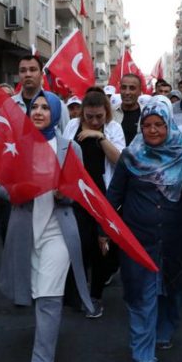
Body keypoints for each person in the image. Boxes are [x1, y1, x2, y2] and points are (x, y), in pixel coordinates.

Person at [0, 90, 92, 362]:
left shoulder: (70, 148)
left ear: (55, 112)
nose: (38, 112)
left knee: (49, 297)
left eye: (44, 107)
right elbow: (1, 185)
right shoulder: (15, 147)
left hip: (58, 231)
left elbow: (79, 190)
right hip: (25, 229)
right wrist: (15, 191)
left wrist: (66, 194)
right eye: (33, 107)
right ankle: (44, 341)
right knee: (36, 294)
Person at [106, 96, 182, 362]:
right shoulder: (131, 157)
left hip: (175, 237)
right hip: (138, 240)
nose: (153, 130)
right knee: (141, 298)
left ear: (169, 125)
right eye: (147, 125)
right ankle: (141, 359)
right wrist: (103, 231)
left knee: (173, 290)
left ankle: (165, 331)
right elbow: (114, 196)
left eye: (159, 124)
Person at [62, 88, 125, 318]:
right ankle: (77, 292)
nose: (95, 121)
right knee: (80, 244)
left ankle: (96, 294)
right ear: (82, 114)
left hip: (103, 196)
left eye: (100, 116)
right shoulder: (71, 126)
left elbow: (120, 160)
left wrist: (100, 137)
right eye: (90, 117)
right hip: (77, 195)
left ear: (106, 113)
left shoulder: (113, 129)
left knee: (102, 248)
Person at [13, 55, 69, 132]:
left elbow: (67, 137)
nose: (28, 74)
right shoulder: (8, 105)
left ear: (41, 74)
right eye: (23, 71)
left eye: (33, 70)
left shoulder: (59, 105)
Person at [113, 73, 143, 145]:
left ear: (139, 91)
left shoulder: (147, 113)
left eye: (132, 88)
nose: (127, 92)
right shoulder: (110, 113)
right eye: (123, 87)